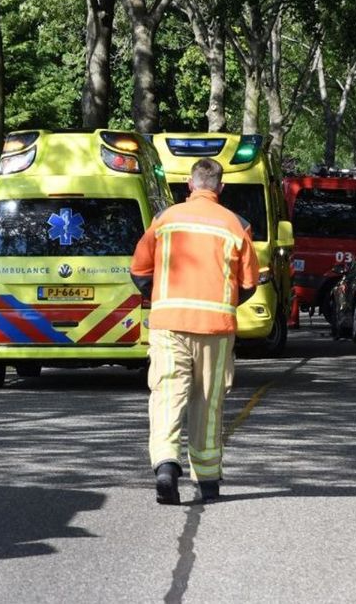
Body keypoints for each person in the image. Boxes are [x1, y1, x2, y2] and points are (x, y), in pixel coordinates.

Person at [130, 158, 260, 505]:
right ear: (220, 188)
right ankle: (207, 481)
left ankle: (166, 466)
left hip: (169, 325)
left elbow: (140, 271)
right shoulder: (237, 225)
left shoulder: (164, 220)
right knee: (208, 401)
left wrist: (161, 296)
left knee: (167, 395)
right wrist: (226, 300)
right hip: (215, 330)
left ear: (190, 184)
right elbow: (248, 283)